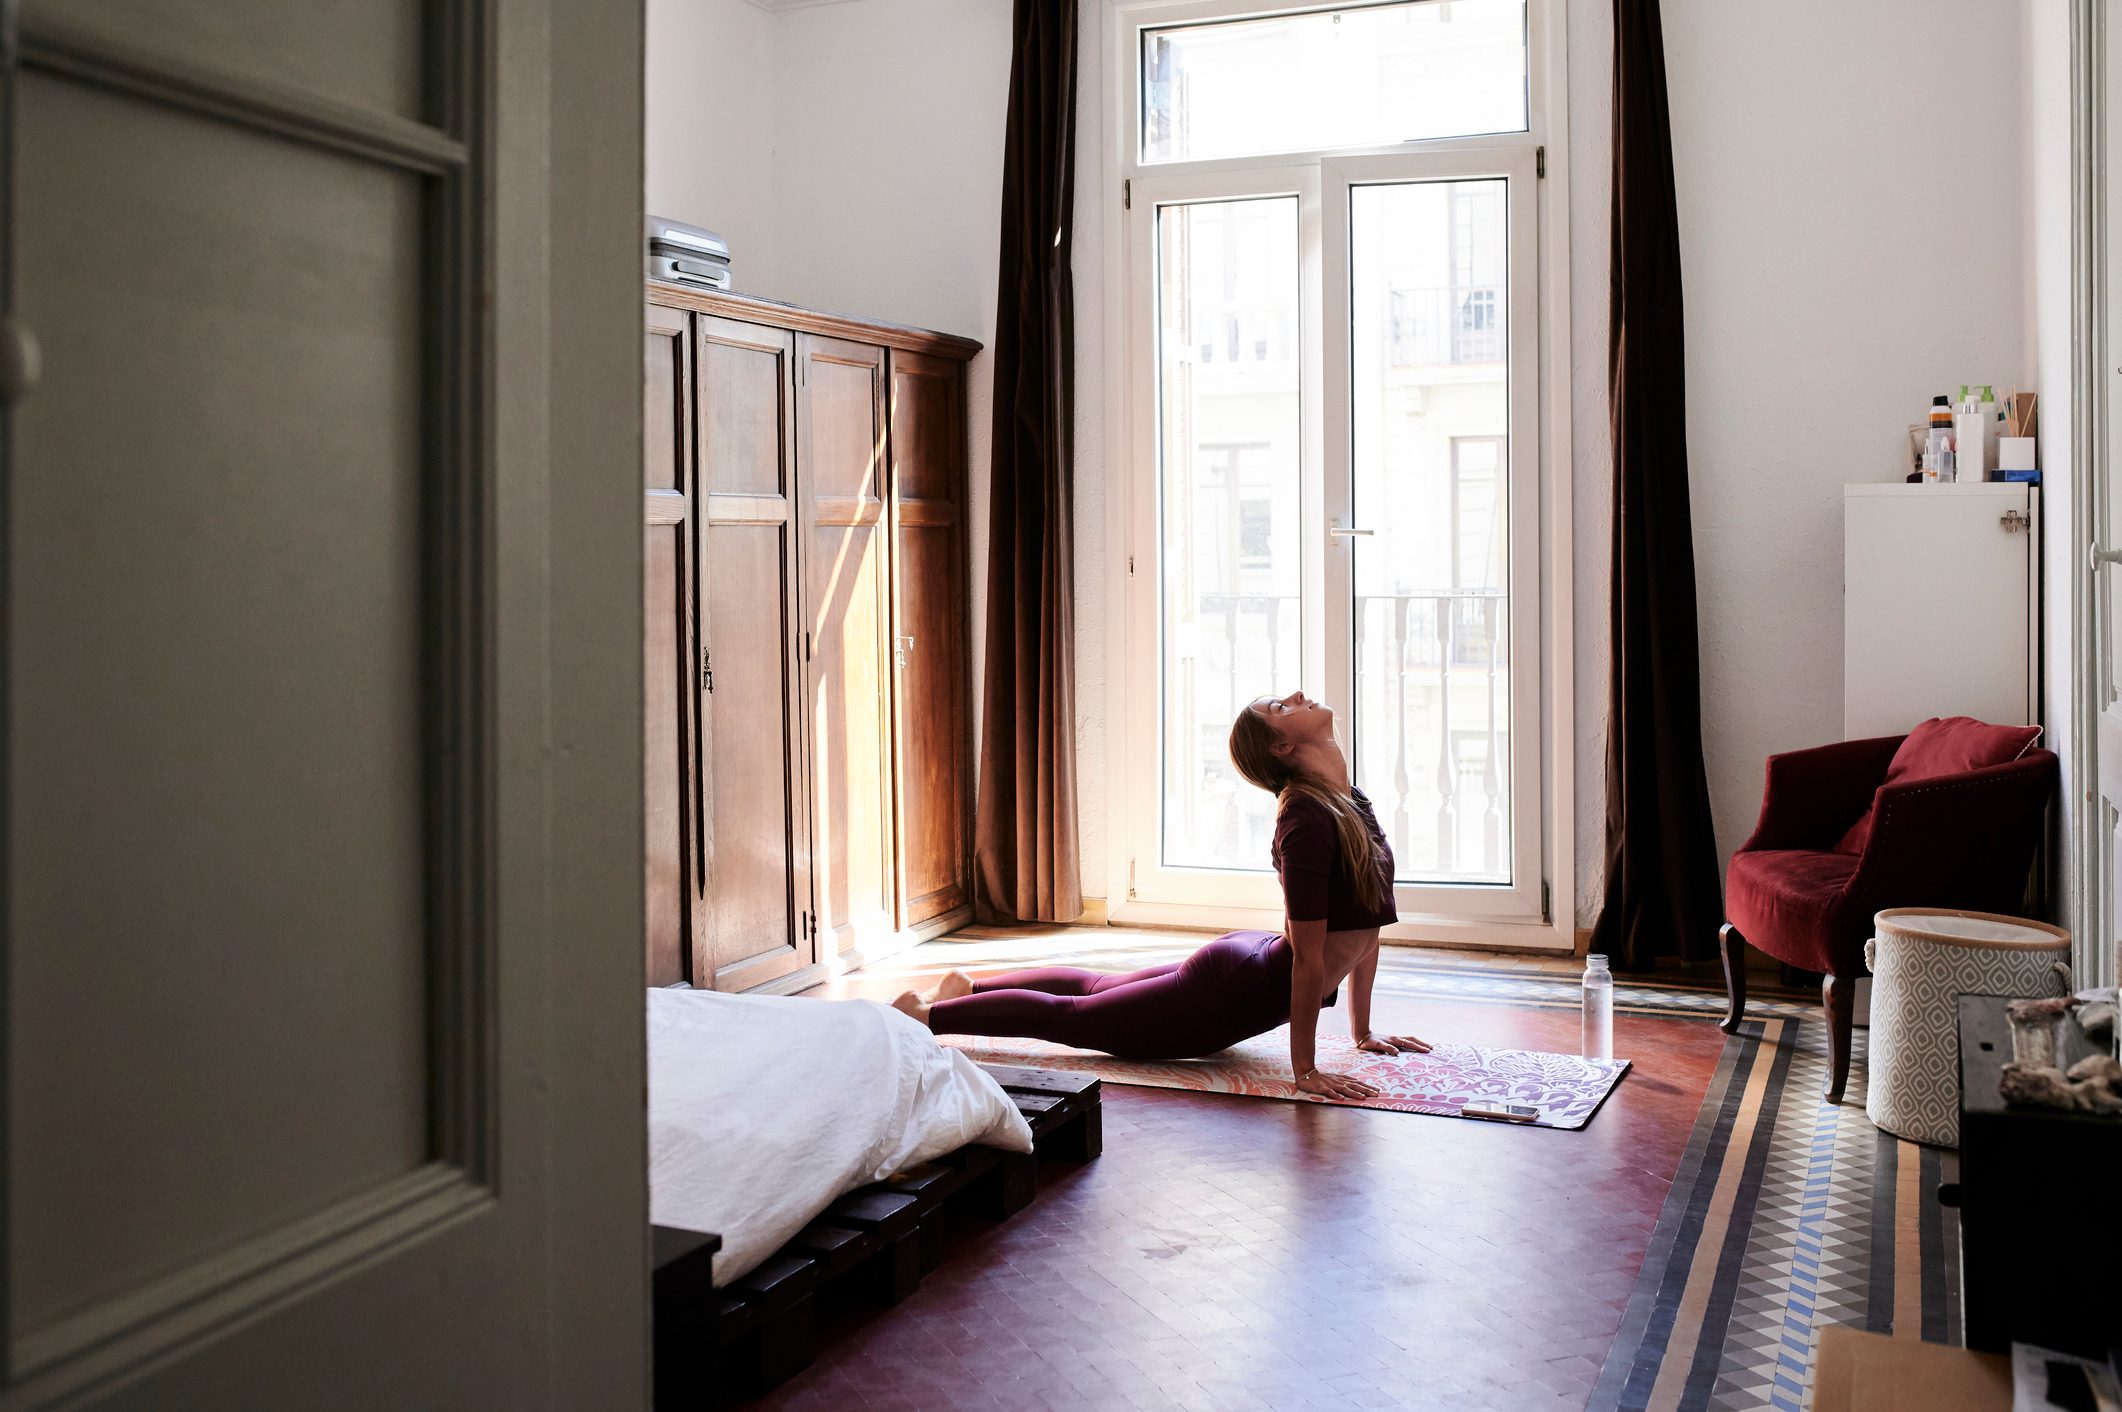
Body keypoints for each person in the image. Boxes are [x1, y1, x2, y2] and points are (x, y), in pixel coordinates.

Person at [893, 690, 1432, 1100]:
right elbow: (1311, 960)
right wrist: (1306, 1072)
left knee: (1098, 986)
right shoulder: (1307, 817)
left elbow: (1368, 927)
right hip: (1233, 990)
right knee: (1076, 1017)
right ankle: (926, 1016)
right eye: (1280, 706)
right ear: (1284, 746)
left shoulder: (1348, 800)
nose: (1296, 696)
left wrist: (1361, 1032)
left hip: (1246, 966)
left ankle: (968, 986)